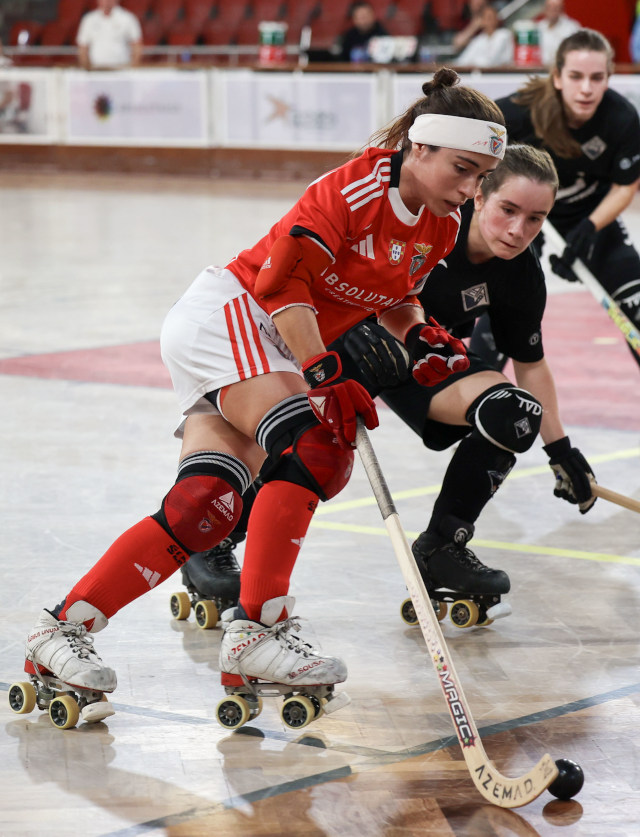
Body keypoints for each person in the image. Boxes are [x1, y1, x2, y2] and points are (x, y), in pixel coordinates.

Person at [21, 68, 506, 725]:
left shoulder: (441, 226)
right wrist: (322, 372)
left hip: (271, 344)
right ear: (420, 148)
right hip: (234, 316)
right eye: (464, 168)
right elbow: (281, 286)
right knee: (316, 442)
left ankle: (62, 630)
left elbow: (393, 295)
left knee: (207, 505)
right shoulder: (354, 189)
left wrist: (426, 340)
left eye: (483, 175)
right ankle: (259, 631)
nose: (473, 188)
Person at [185, 144, 596, 629]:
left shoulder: (522, 273)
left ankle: (441, 546)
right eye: (509, 210)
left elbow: (531, 364)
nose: (518, 230)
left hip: (426, 365)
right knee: (307, 445)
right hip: (345, 343)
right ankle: (214, 537)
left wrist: (561, 450)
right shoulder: (437, 220)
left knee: (515, 411)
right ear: (479, 196)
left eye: (535, 219)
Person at [471, 28, 640, 372]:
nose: (587, 88)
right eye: (576, 76)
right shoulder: (517, 114)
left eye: (597, 77)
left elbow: (626, 186)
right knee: (508, 299)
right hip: (521, 212)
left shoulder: (622, 119)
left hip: (588, 213)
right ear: (558, 77)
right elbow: (470, 158)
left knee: (635, 295)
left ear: (609, 78)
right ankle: (478, 399)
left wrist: (590, 228)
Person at [77, 0, 142, 71]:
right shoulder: (89, 20)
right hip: (96, 70)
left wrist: (133, 69)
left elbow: (137, 46)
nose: (107, 1)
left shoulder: (128, 18)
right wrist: (86, 69)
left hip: (122, 70)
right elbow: (83, 47)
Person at [537, 0, 580, 67]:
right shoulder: (538, 27)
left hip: (563, 68)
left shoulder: (572, 28)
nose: (552, 10)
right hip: (541, 70)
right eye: (549, 7)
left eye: (556, 7)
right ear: (544, 9)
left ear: (561, 9)